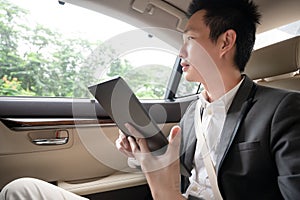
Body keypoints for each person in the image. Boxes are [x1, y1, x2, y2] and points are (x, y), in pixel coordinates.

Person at [1, 0, 300, 200]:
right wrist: (139, 153)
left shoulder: (284, 110)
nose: (180, 53)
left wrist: (167, 193)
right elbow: (177, 170)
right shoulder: (193, 112)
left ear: (226, 42)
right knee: (21, 189)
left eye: (190, 40)